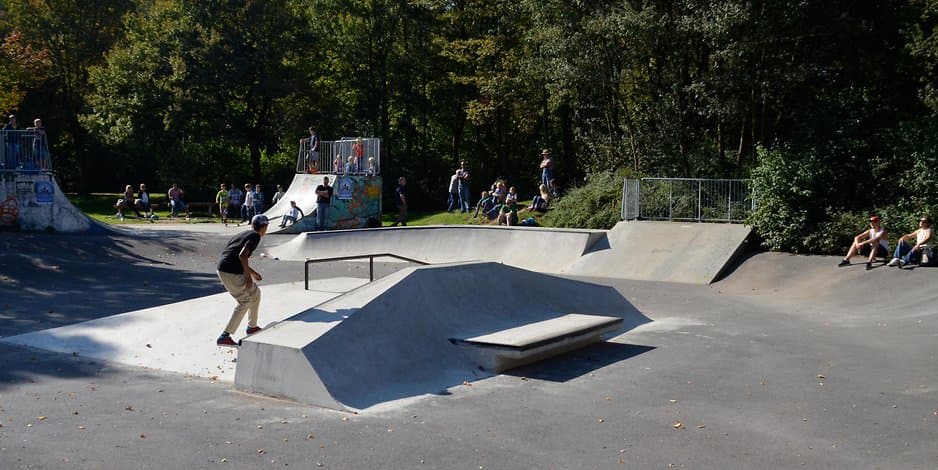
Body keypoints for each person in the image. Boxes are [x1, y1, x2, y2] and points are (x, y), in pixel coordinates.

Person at [215, 214, 269, 347]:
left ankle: (252, 326)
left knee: (255, 293)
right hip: (231, 272)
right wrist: (247, 277)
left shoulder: (245, 234)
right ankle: (224, 336)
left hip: (225, 268)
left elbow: (237, 257)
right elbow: (242, 255)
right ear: (264, 227)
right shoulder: (255, 236)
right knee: (245, 301)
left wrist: (253, 273)